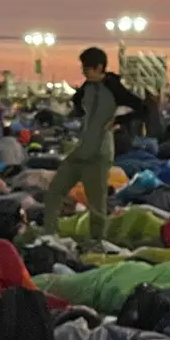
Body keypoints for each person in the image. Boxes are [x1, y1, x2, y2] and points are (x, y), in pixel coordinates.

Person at [42, 46, 132, 245]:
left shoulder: (113, 86)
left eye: (87, 68)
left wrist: (119, 121)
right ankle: (49, 235)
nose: (83, 71)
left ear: (99, 67)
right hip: (82, 149)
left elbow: (141, 108)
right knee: (55, 190)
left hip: (99, 153)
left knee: (96, 203)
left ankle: (97, 242)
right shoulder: (87, 86)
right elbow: (76, 106)